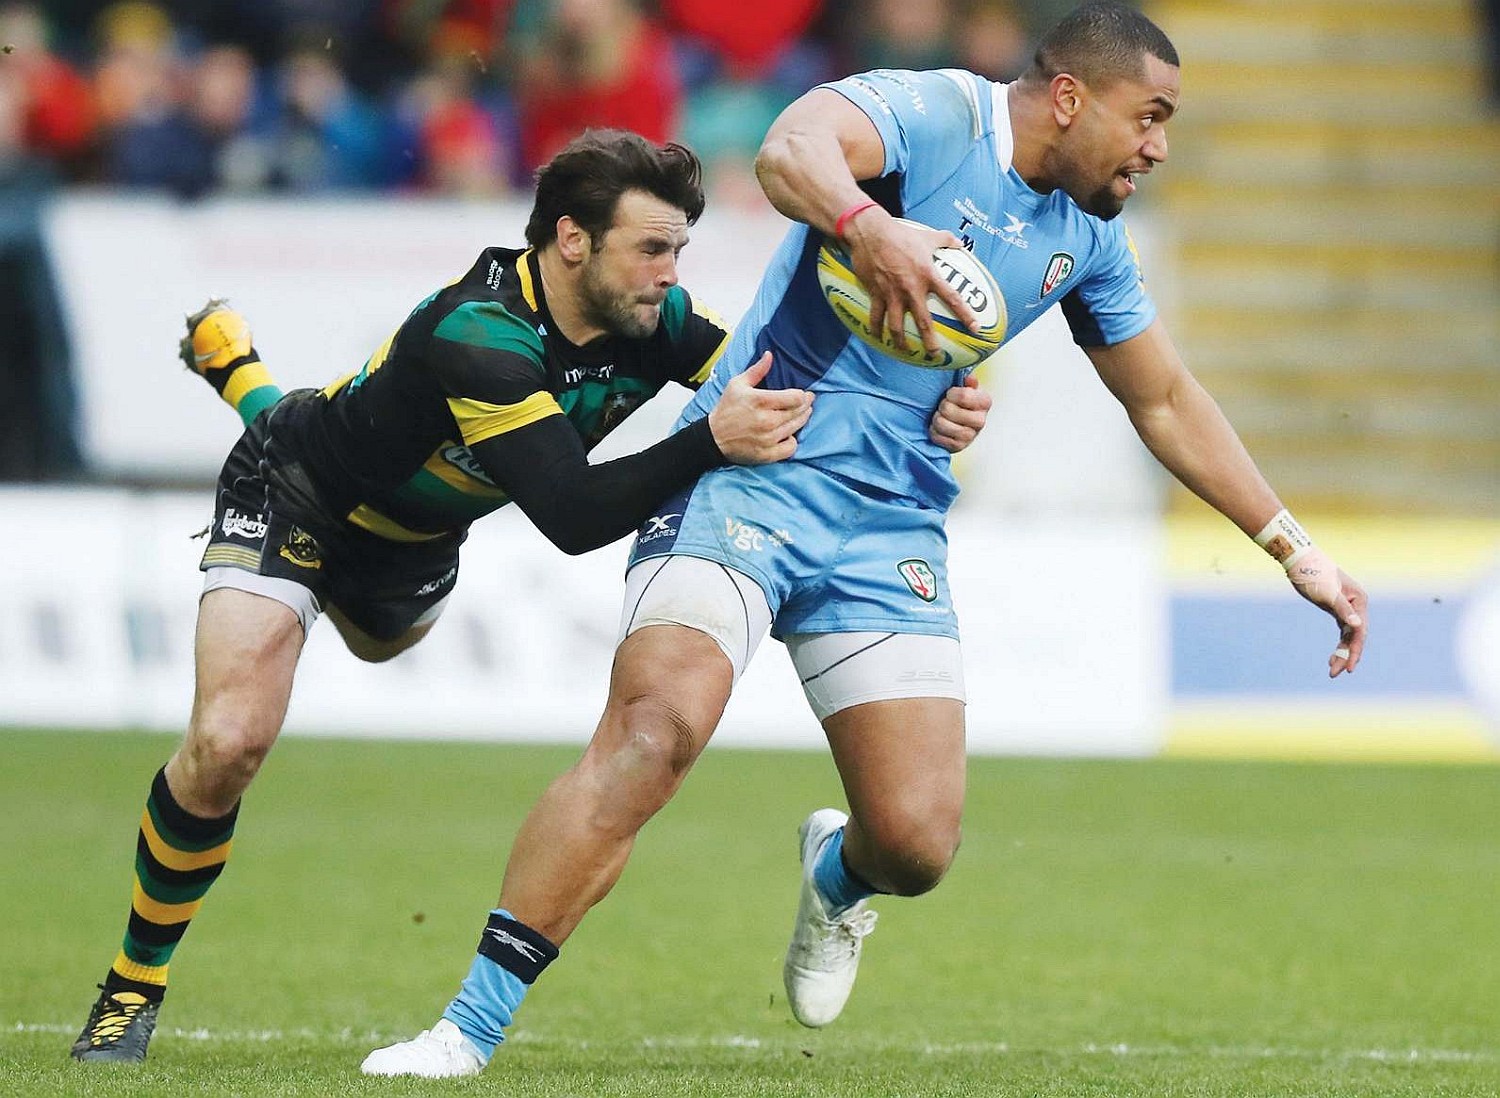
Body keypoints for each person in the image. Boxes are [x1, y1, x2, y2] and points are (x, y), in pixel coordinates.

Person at [359, 1, 1371, 1079]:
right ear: (1072, 97)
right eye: (1150, 116)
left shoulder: (1091, 242)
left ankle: (835, 878)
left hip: (891, 520)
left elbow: (1163, 398)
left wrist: (1291, 546)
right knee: (654, 733)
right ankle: (464, 1029)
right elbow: (790, 147)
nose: (1160, 147)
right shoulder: (938, 116)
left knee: (918, 843)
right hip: (751, 471)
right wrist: (868, 225)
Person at [66, 128, 820, 1064]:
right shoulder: (480, 332)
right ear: (572, 240)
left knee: (382, 639)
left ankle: (244, 374)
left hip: (416, 546)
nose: (671, 274)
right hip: (296, 492)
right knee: (228, 742)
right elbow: (573, 515)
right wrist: (709, 440)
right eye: (652, 248)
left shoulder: (654, 319)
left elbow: (797, 393)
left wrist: (935, 408)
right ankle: (130, 989)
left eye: (679, 250)